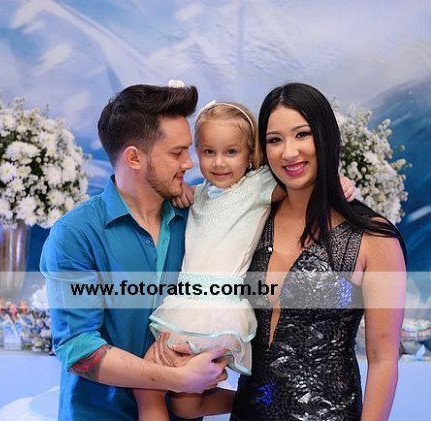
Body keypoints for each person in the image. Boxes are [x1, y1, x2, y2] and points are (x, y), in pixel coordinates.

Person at [166, 83, 406, 421]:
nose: (289, 152)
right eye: (275, 139)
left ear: (325, 136)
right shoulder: (250, 223)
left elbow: (383, 359)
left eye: (302, 134)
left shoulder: (372, 236)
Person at [137, 100, 356, 420]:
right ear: (196, 152)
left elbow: (299, 180)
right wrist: (181, 189)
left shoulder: (257, 187)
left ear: (251, 154)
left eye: (231, 152)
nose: (219, 162)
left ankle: (259, 400)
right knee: (184, 405)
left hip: (215, 309)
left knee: (147, 382)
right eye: (209, 151)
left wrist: (336, 182)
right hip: (189, 303)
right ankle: (258, 401)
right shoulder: (198, 194)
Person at [40, 83, 229, 421]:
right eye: (177, 153)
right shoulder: (76, 234)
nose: (189, 163)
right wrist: (177, 379)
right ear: (134, 157)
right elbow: (79, 349)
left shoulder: (198, 217)